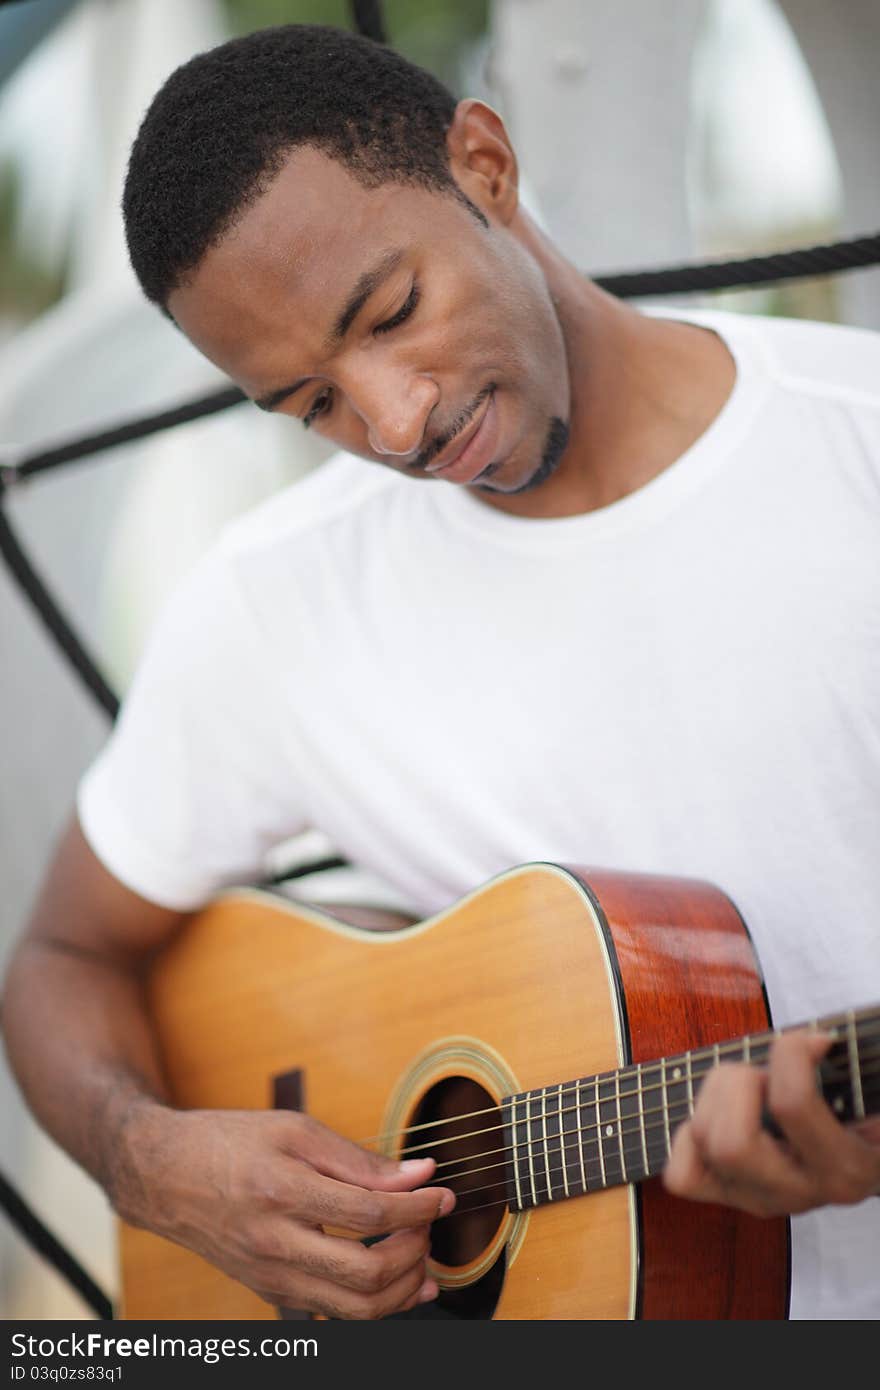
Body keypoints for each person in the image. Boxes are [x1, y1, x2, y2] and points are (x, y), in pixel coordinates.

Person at [2, 23, 879, 1322]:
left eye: (393, 310)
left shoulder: (857, 453)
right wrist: (149, 1163)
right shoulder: (273, 606)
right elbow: (64, 955)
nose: (395, 423)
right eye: (311, 405)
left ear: (485, 165)